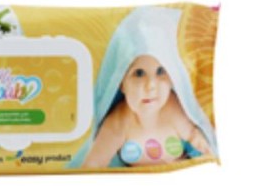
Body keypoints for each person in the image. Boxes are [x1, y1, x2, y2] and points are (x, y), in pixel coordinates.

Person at [83, 54, 212, 168]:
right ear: (121, 83)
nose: (151, 85)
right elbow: (94, 163)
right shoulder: (119, 122)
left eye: (160, 71)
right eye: (139, 73)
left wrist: (209, 154)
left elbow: (195, 137)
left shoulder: (173, 109)